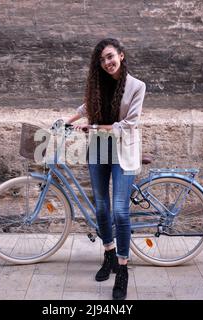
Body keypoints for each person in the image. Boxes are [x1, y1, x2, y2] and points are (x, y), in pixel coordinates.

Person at [65, 38, 146, 300]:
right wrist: (65, 121)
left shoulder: (137, 86)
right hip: (99, 149)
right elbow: (87, 106)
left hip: (123, 151)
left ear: (121, 56)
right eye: (102, 60)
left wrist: (95, 128)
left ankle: (122, 269)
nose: (107, 63)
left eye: (110, 57)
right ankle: (109, 254)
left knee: (120, 211)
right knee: (101, 205)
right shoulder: (98, 83)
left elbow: (129, 124)